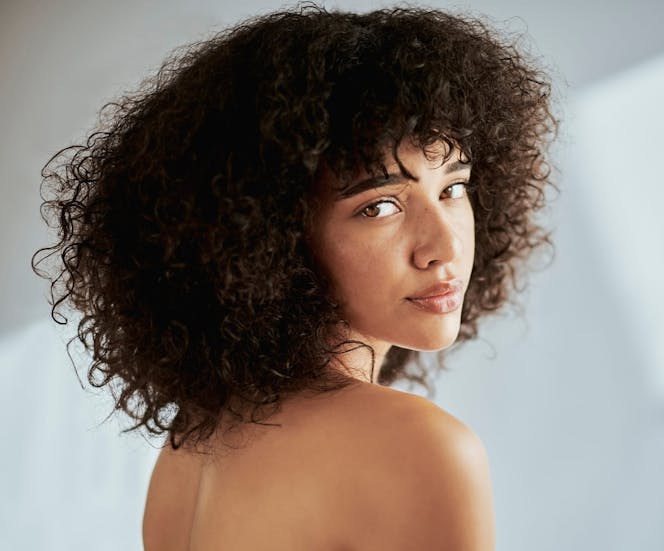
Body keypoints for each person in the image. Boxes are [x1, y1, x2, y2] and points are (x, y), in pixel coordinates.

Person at [32, 4, 556, 550]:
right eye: (379, 207)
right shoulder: (417, 446)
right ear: (270, 238)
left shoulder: (192, 443)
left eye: (453, 188)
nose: (445, 247)